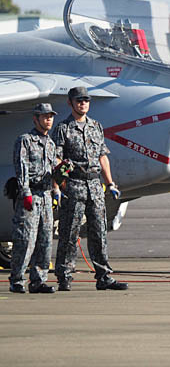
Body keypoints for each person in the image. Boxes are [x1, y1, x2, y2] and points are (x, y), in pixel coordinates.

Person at [53, 86, 128, 291]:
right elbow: (57, 158)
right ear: (70, 103)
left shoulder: (96, 126)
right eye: (78, 100)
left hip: (95, 185)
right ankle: (64, 276)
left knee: (99, 231)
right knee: (69, 232)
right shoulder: (63, 128)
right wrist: (61, 183)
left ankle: (103, 275)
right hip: (74, 185)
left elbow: (102, 156)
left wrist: (110, 183)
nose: (83, 103)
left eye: (86, 100)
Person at [9, 103, 59, 294]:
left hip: (46, 195)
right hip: (30, 194)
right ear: (35, 118)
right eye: (44, 116)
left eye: (50, 116)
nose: (48, 119)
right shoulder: (26, 141)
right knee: (25, 239)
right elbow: (21, 167)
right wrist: (25, 192)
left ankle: (38, 280)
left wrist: (56, 189)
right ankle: (17, 279)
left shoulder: (51, 143)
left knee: (45, 239)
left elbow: (53, 171)